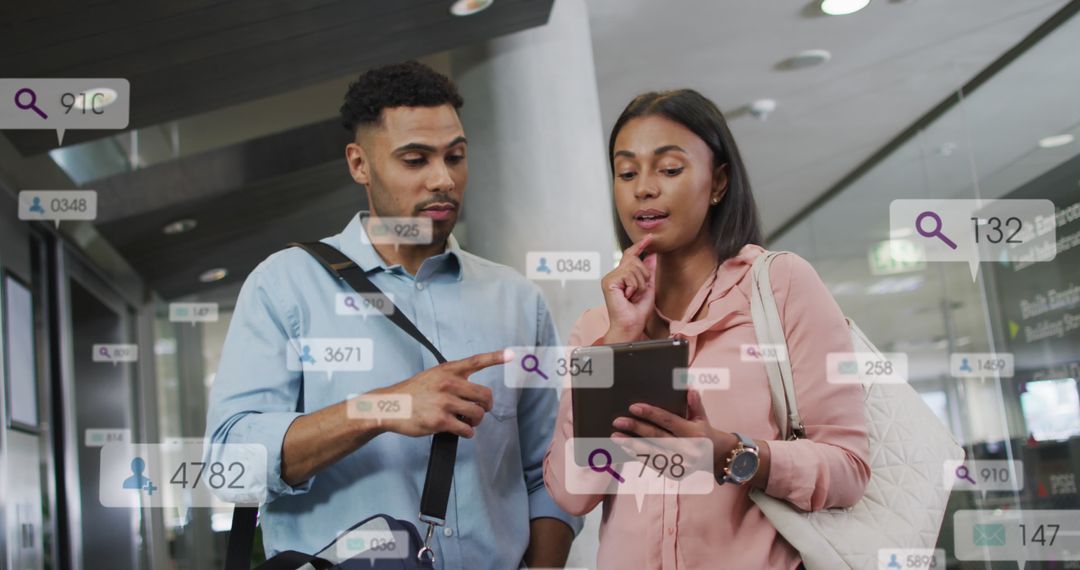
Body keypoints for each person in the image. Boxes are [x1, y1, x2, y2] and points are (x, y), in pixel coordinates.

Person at [206, 60, 580, 569]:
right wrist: (381, 409)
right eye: (415, 159)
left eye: (456, 156)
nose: (443, 179)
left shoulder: (517, 299)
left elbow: (547, 475)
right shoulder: (285, 286)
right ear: (360, 164)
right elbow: (230, 463)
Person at [543, 89, 870, 570]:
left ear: (718, 182)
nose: (644, 188)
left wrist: (737, 456)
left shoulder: (780, 285)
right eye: (626, 172)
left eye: (669, 169)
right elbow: (572, 494)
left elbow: (848, 468)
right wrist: (618, 341)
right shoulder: (598, 326)